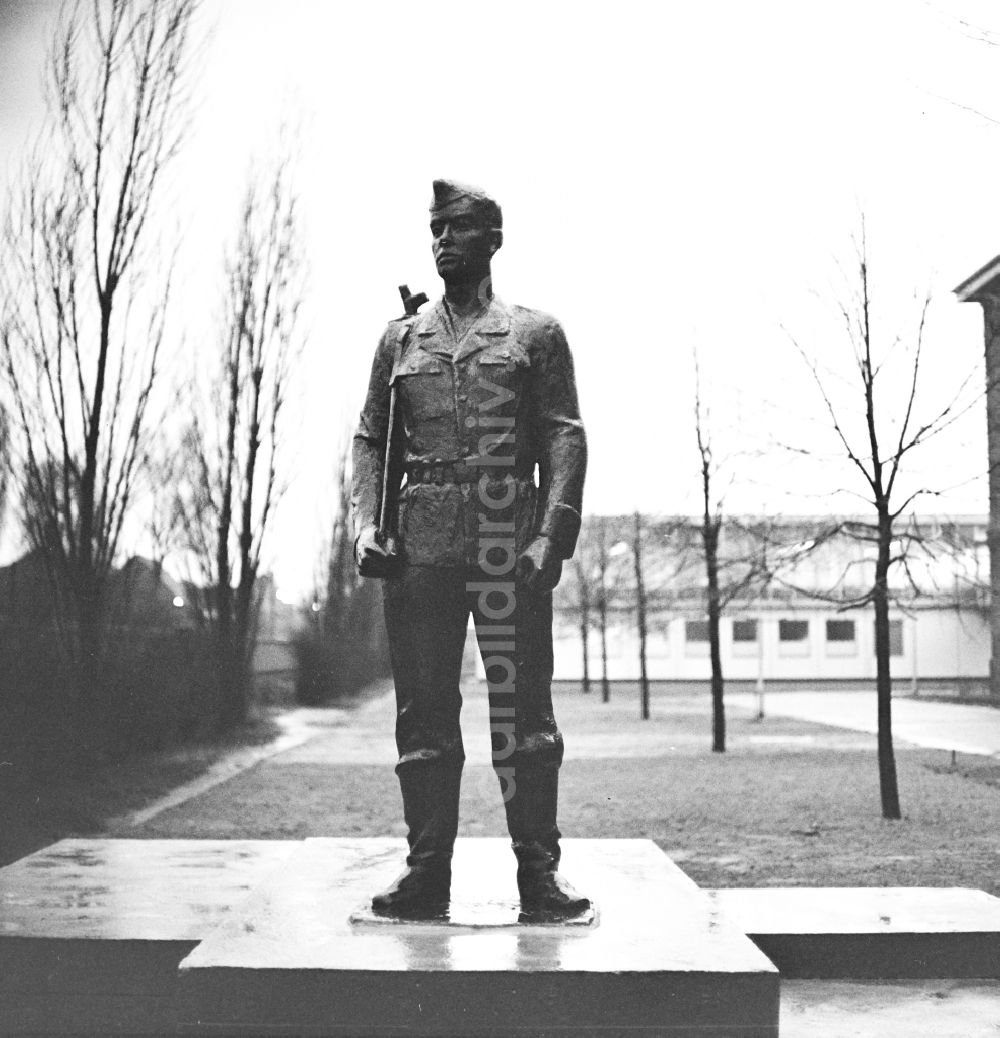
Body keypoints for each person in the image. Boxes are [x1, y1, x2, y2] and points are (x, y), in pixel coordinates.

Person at [352, 179, 588, 920]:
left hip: (503, 543)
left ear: (492, 238)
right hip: (417, 550)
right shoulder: (401, 339)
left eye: (456, 228)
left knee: (525, 720)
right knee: (423, 718)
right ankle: (426, 874)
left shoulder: (533, 334)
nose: (441, 241)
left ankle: (538, 877)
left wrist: (553, 534)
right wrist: (366, 523)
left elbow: (563, 433)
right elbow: (368, 438)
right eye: (435, 230)